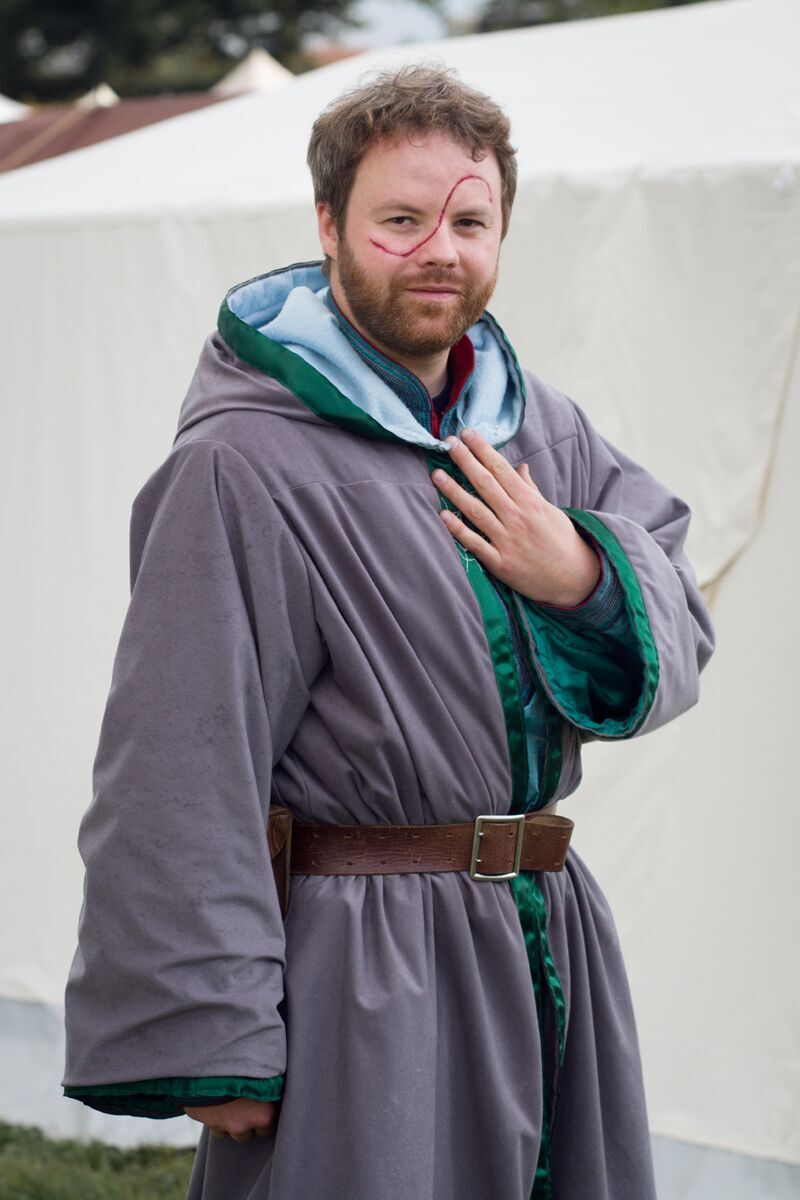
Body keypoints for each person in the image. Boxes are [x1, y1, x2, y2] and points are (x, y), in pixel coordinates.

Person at [62, 64, 715, 1200]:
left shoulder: (539, 428)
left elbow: (679, 610)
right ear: (329, 225)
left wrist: (579, 574)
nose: (439, 252)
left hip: (545, 942)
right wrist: (211, 1025)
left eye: (469, 223)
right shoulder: (243, 463)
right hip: (363, 967)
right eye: (401, 221)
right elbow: (179, 756)